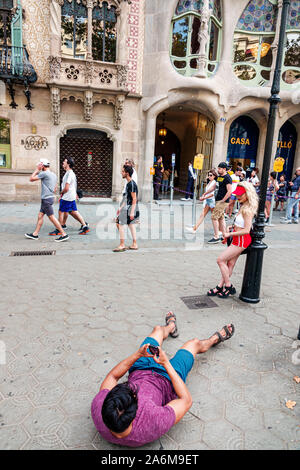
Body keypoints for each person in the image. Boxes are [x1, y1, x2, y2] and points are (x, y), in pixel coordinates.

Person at [91, 311, 235, 448]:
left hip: (140, 366)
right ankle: (213, 340)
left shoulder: (99, 409)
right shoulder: (154, 422)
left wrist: (137, 355)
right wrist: (166, 363)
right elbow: (186, 400)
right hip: (167, 380)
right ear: (136, 411)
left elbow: (112, 376)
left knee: (157, 330)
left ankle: (171, 327)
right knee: (194, 343)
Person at [207, 181, 258, 298]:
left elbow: (247, 230)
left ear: (247, 194)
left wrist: (230, 234)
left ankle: (229, 286)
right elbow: (241, 225)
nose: (238, 196)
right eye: (237, 194)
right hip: (237, 238)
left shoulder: (247, 209)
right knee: (230, 263)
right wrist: (232, 227)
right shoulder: (243, 206)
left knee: (220, 260)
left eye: (241, 194)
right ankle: (220, 286)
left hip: (241, 240)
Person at [25, 159, 69, 242]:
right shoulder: (54, 175)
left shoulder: (44, 173)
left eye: (40, 165)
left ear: (42, 166)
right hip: (50, 198)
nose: (39, 167)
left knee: (51, 217)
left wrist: (37, 170)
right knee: (40, 216)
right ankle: (35, 234)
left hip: (46, 199)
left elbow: (31, 179)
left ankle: (64, 234)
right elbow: (55, 188)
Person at [49, 157, 89, 236]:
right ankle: (84, 226)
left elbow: (66, 188)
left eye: (64, 161)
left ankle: (59, 229)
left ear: (68, 164)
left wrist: (61, 192)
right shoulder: (70, 173)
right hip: (70, 196)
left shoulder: (69, 174)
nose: (63, 162)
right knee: (73, 211)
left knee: (61, 211)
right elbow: (73, 185)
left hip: (67, 196)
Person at [113, 165, 139, 252]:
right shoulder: (129, 183)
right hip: (127, 207)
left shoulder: (131, 184)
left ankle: (122, 244)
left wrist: (131, 212)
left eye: (123, 171)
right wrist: (120, 207)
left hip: (129, 208)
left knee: (119, 224)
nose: (121, 172)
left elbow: (134, 198)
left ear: (127, 173)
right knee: (131, 225)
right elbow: (127, 198)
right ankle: (134, 244)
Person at [185, 169, 217, 233]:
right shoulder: (209, 182)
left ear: (214, 176)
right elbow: (207, 192)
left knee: (215, 217)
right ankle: (194, 229)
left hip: (211, 201)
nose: (209, 176)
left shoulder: (214, 183)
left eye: (211, 175)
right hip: (208, 200)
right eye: (208, 175)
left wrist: (204, 197)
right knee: (204, 215)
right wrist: (204, 196)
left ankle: (219, 231)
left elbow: (212, 194)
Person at [207, 162, 232, 244]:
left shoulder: (227, 178)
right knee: (221, 218)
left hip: (222, 201)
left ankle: (216, 236)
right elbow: (215, 187)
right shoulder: (219, 177)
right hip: (218, 200)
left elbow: (229, 191)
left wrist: (223, 200)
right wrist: (205, 193)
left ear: (224, 169)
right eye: (218, 168)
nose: (218, 170)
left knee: (214, 217)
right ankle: (224, 235)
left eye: (220, 168)